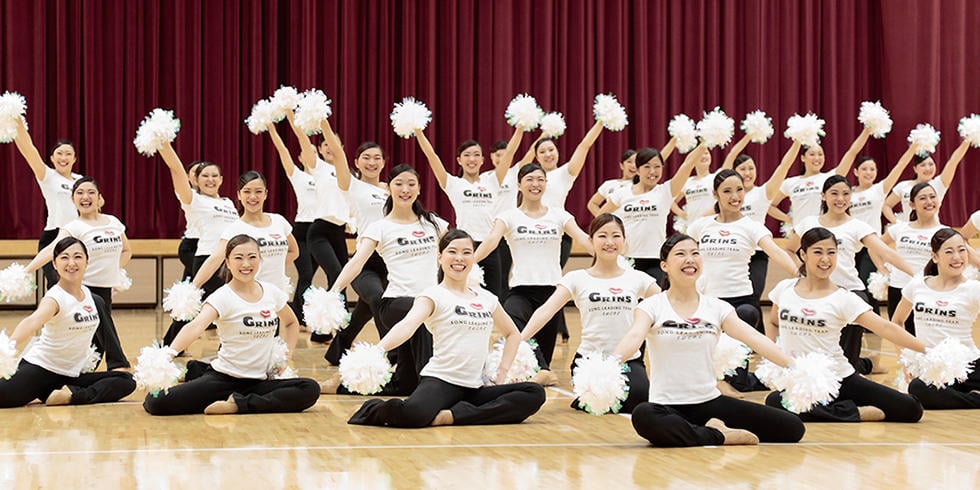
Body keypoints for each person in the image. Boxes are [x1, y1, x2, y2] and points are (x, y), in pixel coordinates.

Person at [612, 234, 806, 447]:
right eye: (681, 254)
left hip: (709, 403)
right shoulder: (651, 306)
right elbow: (634, 337)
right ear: (665, 266)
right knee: (643, 415)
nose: (690, 259)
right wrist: (608, 366)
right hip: (666, 406)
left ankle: (696, 433)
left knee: (793, 427)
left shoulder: (717, 307)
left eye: (695, 253)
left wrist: (796, 367)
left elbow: (755, 338)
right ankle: (719, 435)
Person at [347, 229, 547, 427]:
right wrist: (377, 351)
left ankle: (451, 416)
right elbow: (407, 326)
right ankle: (372, 408)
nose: (459, 258)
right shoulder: (432, 295)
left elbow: (513, 334)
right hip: (441, 382)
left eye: (467, 252)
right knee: (413, 415)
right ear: (440, 257)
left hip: (476, 386)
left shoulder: (487, 299)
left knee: (534, 393)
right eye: (452, 251)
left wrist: (502, 373)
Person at [143, 235, 320, 415]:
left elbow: (291, 322)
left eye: (252, 257)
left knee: (310, 389)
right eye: (238, 258)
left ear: (260, 259)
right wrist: (167, 356)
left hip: (260, 382)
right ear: (227, 262)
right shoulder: (222, 296)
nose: (246, 264)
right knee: (155, 402)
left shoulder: (271, 292)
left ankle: (237, 404)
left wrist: (284, 357)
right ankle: (203, 376)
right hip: (223, 380)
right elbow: (195, 326)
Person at [765, 227, 926, 422]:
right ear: (803, 254)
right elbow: (773, 322)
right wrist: (774, 358)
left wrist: (927, 350)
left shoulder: (844, 298)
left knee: (911, 408)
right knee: (774, 401)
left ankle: (837, 409)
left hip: (840, 377)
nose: (825, 259)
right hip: (801, 379)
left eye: (831, 252)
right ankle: (855, 412)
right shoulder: (785, 289)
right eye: (818, 252)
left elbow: (885, 327)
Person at [321, 164, 448, 396]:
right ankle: (434, 387)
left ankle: (340, 384)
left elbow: (457, 255)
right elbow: (356, 263)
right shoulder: (380, 227)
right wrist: (333, 292)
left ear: (419, 189)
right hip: (396, 304)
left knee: (405, 384)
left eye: (411, 184)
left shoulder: (435, 224)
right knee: (422, 310)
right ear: (388, 188)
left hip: (430, 302)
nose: (405, 189)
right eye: (398, 184)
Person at [520, 214, 659, 412]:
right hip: (589, 362)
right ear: (591, 240)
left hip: (628, 361)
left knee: (638, 398)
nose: (609, 242)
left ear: (624, 241)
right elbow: (546, 311)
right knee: (598, 402)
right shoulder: (576, 278)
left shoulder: (639, 278)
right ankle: (587, 396)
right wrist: (519, 340)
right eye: (602, 236)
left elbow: (666, 304)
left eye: (616, 236)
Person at [474, 162, 594, 386]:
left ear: (546, 184)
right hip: (520, 291)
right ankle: (540, 373)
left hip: (552, 294)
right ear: (519, 185)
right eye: (529, 179)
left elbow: (583, 237)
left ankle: (541, 373)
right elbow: (491, 241)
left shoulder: (560, 216)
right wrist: (469, 262)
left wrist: (608, 253)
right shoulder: (508, 216)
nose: (535, 184)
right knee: (513, 322)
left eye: (540, 179)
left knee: (542, 358)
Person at [784, 175, 915, 374]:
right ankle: (867, 365)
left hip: (850, 293)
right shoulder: (808, 223)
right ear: (823, 196)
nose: (840, 199)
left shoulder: (857, 226)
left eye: (846, 194)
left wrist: (917, 276)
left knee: (845, 363)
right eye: (834, 193)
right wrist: (799, 273)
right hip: (816, 294)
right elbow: (789, 249)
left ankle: (862, 367)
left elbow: (886, 252)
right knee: (821, 354)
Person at [686, 169, 799, 393]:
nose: (734, 196)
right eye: (727, 191)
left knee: (747, 315)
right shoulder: (701, 226)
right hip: (707, 301)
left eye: (739, 190)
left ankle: (737, 382)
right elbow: (680, 252)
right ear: (715, 194)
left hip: (740, 300)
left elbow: (775, 252)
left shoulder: (751, 226)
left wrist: (799, 273)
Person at [0, 237, 136, 408]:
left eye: (78, 257)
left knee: (126, 381)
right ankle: (65, 394)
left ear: (87, 261)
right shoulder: (54, 298)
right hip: (40, 370)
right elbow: (32, 321)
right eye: (64, 257)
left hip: (71, 376)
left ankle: (70, 395)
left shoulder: (92, 298)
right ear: (55, 264)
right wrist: (7, 347)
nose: (71, 263)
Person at [24, 177, 131, 369]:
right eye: (79, 193)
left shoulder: (113, 221)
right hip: (85, 289)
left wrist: (117, 274)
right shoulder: (73, 227)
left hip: (106, 289)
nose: (85, 196)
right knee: (96, 332)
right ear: (73, 200)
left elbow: (126, 250)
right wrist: (26, 271)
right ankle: (118, 365)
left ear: (100, 198)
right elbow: (51, 250)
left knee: (95, 344)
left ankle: (78, 377)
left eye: (91, 192)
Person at [413, 122, 525, 297]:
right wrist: (418, 131)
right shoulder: (453, 183)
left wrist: (520, 127)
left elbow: (509, 153)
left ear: (482, 160)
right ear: (459, 160)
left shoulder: (492, 181)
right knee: (458, 295)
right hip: (463, 247)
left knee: (493, 298)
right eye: (467, 155)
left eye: (476, 155)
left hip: (489, 248)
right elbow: (431, 156)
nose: (472, 159)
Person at [316, 118, 391, 365]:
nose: (372, 162)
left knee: (365, 309)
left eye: (377, 157)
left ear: (384, 162)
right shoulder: (351, 185)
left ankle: (337, 348)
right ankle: (388, 355)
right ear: (356, 162)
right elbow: (337, 153)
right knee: (379, 299)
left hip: (391, 261)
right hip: (364, 261)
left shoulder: (392, 188)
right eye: (366, 157)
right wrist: (324, 122)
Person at [157, 141, 239, 346]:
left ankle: (169, 345)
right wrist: (164, 144)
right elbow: (175, 169)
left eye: (214, 176)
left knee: (192, 307)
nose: (210, 179)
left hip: (229, 263)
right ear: (196, 179)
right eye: (205, 176)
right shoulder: (193, 199)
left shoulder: (228, 203)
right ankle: (229, 348)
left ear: (221, 179)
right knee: (229, 304)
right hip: (206, 260)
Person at [891, 228, 980, 409]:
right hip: (930, 368)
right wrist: (905, 360)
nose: (957, 257)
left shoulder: (973, 288)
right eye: (949, 251)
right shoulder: (917, 285)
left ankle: (960, 394)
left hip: (967, 366)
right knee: (918, 388)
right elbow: (897, 322)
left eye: (962, 250)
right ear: (935, 256)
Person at [284, 112, 352, 343]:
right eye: (324, 144)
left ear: (341, 146)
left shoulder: (349, 172)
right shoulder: (319, 168)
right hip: (319, 231)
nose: (329, 147)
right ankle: (319, 326)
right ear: (320, 149)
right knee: (334, 274)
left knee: (342, 279)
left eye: (333, 143)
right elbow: (302, 138)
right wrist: (291, 115)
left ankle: (331, 332)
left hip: (339, 232)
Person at [599, 144, 704, 286]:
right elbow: (600, 219)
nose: (652, 171)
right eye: (647, 166)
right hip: (628, 259)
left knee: (656, 303)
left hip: (656, 260)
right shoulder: (622, 193)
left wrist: (705, 143)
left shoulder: (665, 191)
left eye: (657, 166)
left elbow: (688, 164)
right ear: (637, 169)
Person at [191, 171, 298, 296]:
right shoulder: (235, 228)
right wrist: (191, 290)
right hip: (252, 298)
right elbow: (214, 260)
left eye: (258, 191)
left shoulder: (279, 221)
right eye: (247, 191)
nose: (253, 197)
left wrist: (273, 264)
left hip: (278, 296)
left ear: (265, 194)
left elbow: (294, 251)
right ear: (239, 195)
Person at [724, 138, 801, 299]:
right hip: (732, 250)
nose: (747, 172)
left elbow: (783, 167)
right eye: (743, 168)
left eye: (751, 168)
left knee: (753, 296)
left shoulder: (762, 193)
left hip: (757, 253)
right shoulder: (725, 196)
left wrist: (798, 141)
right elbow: (730, 155)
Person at [13, 117, 81, 287]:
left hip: (77, 236)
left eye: (68, 154)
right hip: (54, 235)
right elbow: (29, 149)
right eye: (59, 153)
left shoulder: (81, 180)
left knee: (77, 286)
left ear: (74, 159)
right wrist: (16, 124)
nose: (63, 157)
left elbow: (97, 203)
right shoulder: (47, 175)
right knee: (57, 284)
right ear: (52, 158)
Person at [267, 123, 318, 328]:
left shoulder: (327, 176)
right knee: (305, 274)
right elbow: (283, 150)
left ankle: (299, 314)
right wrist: (272, 130)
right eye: (306, 151)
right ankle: (297, 316)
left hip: (320, 231)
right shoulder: (299, 176)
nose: (311, 154)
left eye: (314, 151)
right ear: (300, 157)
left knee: (310, 276)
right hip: (302, 231)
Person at [881, 182, 947, 334]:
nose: (929, 202)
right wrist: (883, 270)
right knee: (900, 336)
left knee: (926, 339)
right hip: (898, 288)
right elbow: (875, 247)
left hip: (928, 291)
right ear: (911, 204)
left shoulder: (944, 232)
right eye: (923, 198)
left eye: (932, 197)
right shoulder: (900, 228)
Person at [772, 127, 872, 225]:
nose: (817, 158)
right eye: (812, 154)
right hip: (800, 236)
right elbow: (770, 205)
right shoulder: (790, 182)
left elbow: (852, 152)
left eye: (820, 154)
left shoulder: (829, 178)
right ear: (803, 158)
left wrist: (867, 130)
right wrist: (789, 219)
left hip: (824, 234)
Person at [883, 137, 972, 224]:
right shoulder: (903, 186)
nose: (928, 168)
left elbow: (953, 161)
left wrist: (967, 141)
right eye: (923, 165)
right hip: (909, 232)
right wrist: (897, 223)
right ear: (915, 169)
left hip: (932, 232)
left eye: (931, 164)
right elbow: (886, 205)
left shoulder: (939, 183)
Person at [586, 150, 637, 216]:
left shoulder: (643, 185)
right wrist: (604, 221)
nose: (633, 166)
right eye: (629, 162)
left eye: (636, 162)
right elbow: (592, 204)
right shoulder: (609, 184)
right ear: (621, 165)